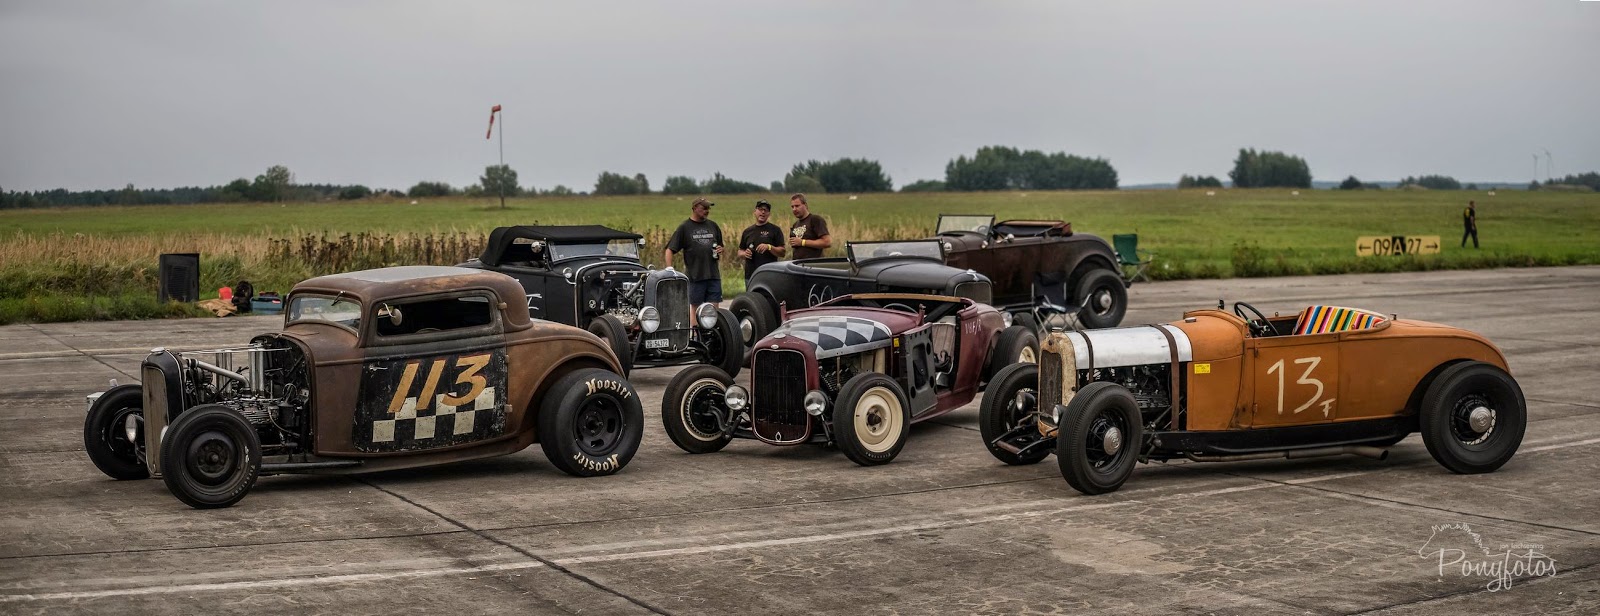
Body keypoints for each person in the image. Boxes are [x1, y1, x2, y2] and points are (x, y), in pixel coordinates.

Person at [664, 197, 725, 304]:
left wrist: (721, 249)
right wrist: (669, 269)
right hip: (695, 276)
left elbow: (721, 246)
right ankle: (694, 322)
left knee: (713, 308)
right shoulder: (685, 227)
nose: (707, 211)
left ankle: (714, 322)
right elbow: (669, 249)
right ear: (695, 208)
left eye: (708, 208)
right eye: (704, 208)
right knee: (696, 308)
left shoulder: (713, 225)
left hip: (713, 275)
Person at [737, 199, 786, 281]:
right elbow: (740, 251)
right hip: (751, 276)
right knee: (752, 294)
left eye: (766, 210)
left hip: (769, 275)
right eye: (760, 209)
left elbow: (782, 252)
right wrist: (744, 254)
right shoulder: (747, 231)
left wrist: (769, 247)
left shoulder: (775, 230)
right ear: (755, 212)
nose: (763, 212)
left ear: (769, 214)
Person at [787, 192, 831, 259]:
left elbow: (827, 242)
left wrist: (803, 242)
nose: (794, 209)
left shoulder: (815, 220)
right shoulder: (795, 224)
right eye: (792, 207)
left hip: (813, 265)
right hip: (797, 265)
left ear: (805, 205)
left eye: (797, 206)